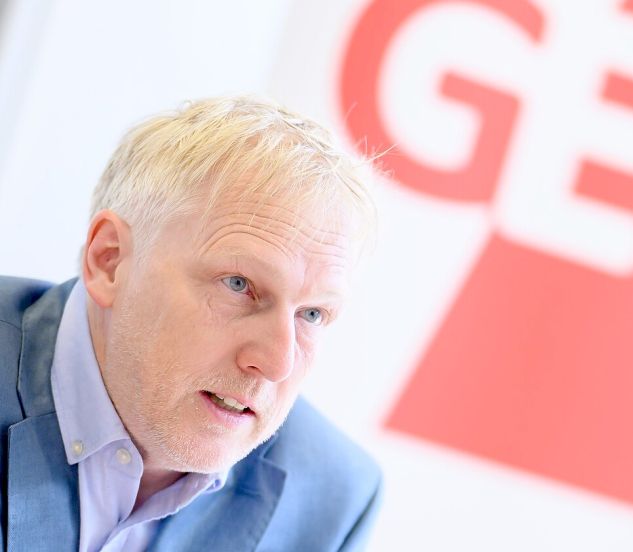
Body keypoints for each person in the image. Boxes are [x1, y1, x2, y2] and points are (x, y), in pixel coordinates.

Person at [0, 96, 381, 551]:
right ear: (110, 261)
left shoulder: (332, 498)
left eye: (312, 314)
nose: (278, 361)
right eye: (238, 284)